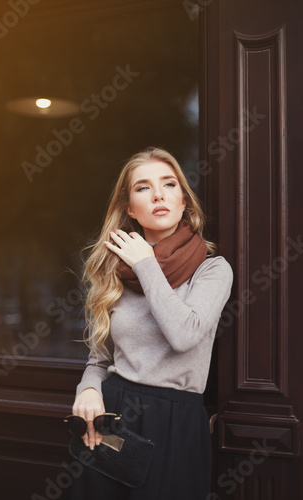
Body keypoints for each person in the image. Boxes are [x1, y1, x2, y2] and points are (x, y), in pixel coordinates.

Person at [69, 147, 233, 499]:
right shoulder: (114, 274)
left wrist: (146, 264)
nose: (158, 194)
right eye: (143, 187)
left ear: (184, 201)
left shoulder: (213, 269)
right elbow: (100, 361)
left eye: (169, 184)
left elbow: (184, 335)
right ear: (130, 209)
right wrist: (88, 389)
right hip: (112, 420)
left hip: (175, 422)